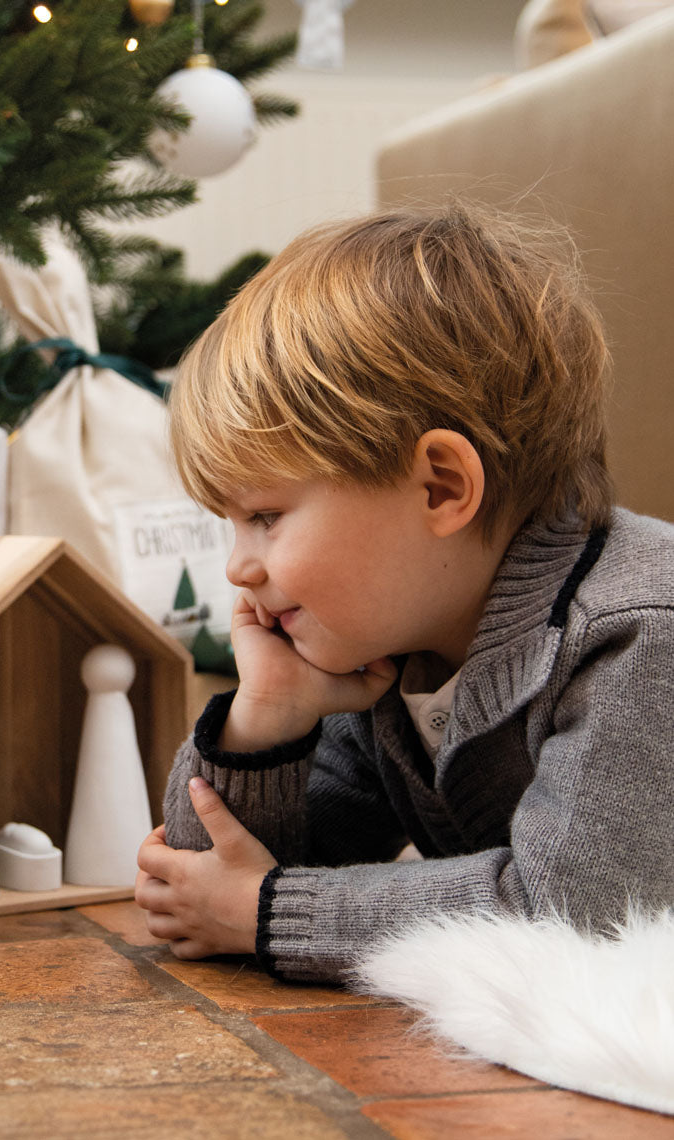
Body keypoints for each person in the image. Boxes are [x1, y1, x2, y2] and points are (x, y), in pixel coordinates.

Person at [134, 203, 674, 983]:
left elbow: (572, 919)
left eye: (265, 516)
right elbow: (200, 879)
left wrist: (266, 913)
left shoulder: (639, 632)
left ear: (441, 488)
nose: (238, 568)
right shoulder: (394, 651)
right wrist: (267, 722)